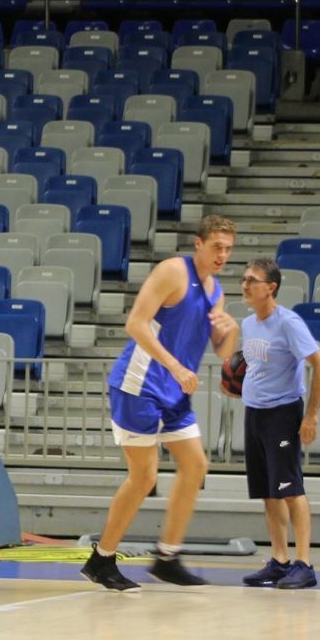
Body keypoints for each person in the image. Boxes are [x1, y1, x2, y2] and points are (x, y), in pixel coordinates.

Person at [81, 214, 239, 592]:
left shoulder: (216, 290)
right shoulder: (172, 271)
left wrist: (230, 332)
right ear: (198, 244)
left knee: (196, 464)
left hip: (174, 392)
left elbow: (221, 352)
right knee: (144, 477)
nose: (223, 255)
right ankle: (102, 558)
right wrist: (175, 366)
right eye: (217, 246)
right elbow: (135, 323)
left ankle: (167, 556)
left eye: (228, 249)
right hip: (140, 385)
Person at [237, 258, 320, 590]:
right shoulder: (248, 324)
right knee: (268, 493)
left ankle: (304, 563)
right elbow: (254, 367)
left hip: (283, 414)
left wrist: (311, 415)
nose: (245, 285)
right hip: (254, 413)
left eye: (252, 280)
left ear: (270, 288)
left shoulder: (288, 322)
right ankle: (279, 561)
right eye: (244, 279)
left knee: (291, 490)